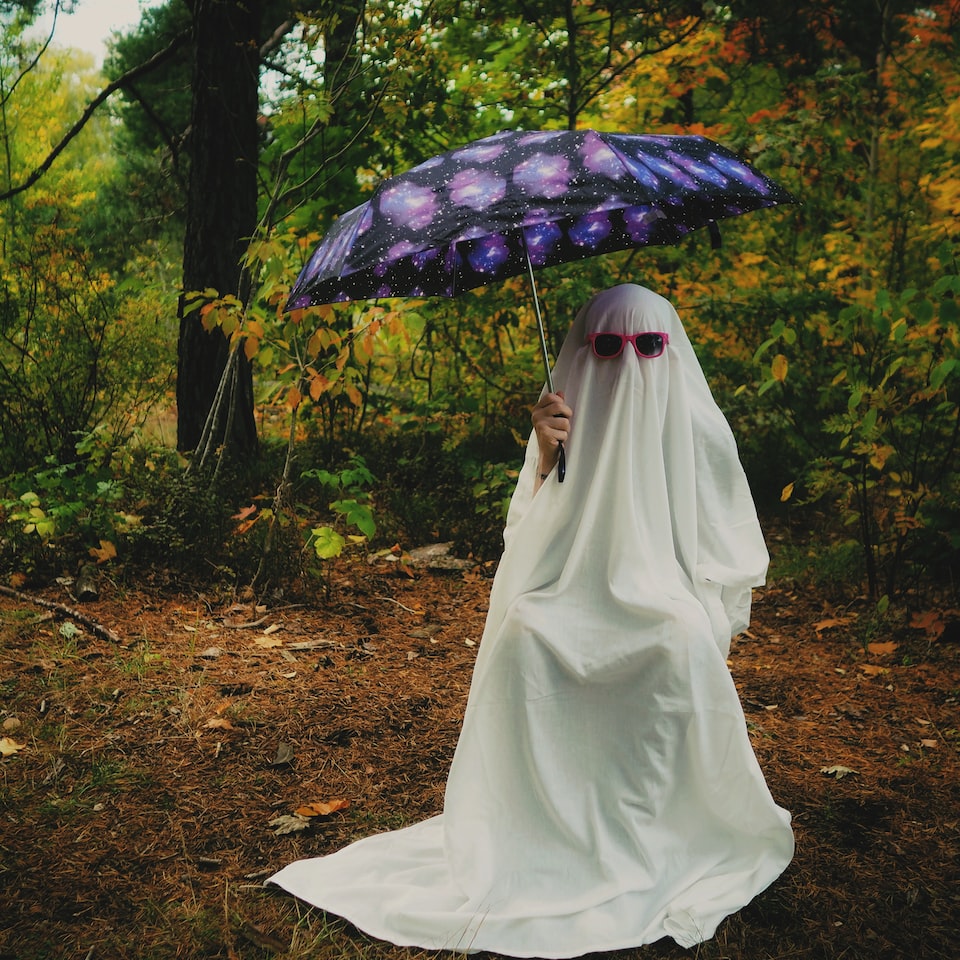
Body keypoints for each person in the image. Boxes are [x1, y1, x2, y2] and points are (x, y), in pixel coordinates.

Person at [269, 283, 794, 955]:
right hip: (566, 591)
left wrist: (698, 602)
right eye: (608, 346)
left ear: (670, 351)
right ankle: (535, 833)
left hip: (662, 594)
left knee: (681, 639)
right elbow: (526, 541)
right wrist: (547, 457)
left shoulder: (687, 420)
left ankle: (660, 826)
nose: (629, 362)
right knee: (525, 635)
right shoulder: (561, 422)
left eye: (648, 345)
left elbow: (723, 535)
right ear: (584, 350)